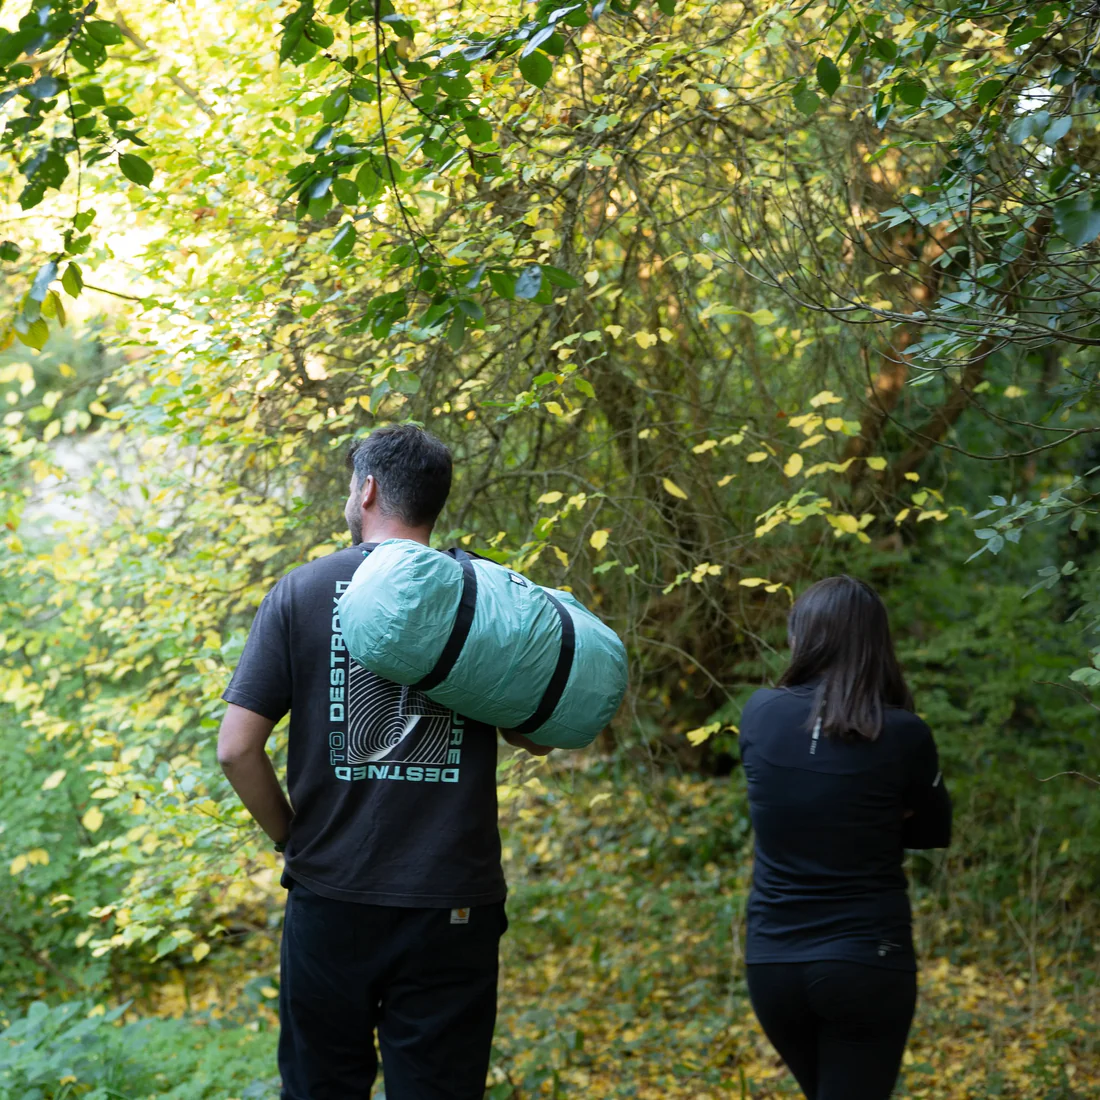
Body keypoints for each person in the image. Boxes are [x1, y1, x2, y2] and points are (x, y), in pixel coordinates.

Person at [217, 425, 549, 1100]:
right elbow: (536, 736)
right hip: (453, 898)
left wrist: (292, 838)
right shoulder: (484, 597)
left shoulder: (301, 593)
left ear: (366, 490)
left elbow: (236, 748)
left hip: (331, 892)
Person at [737, 575, 951, 1100]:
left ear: (803, 639)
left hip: (772, 962)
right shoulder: (903, 733)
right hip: (866, 960)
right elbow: (931, 830)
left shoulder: (759, 713)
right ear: (878, 644)